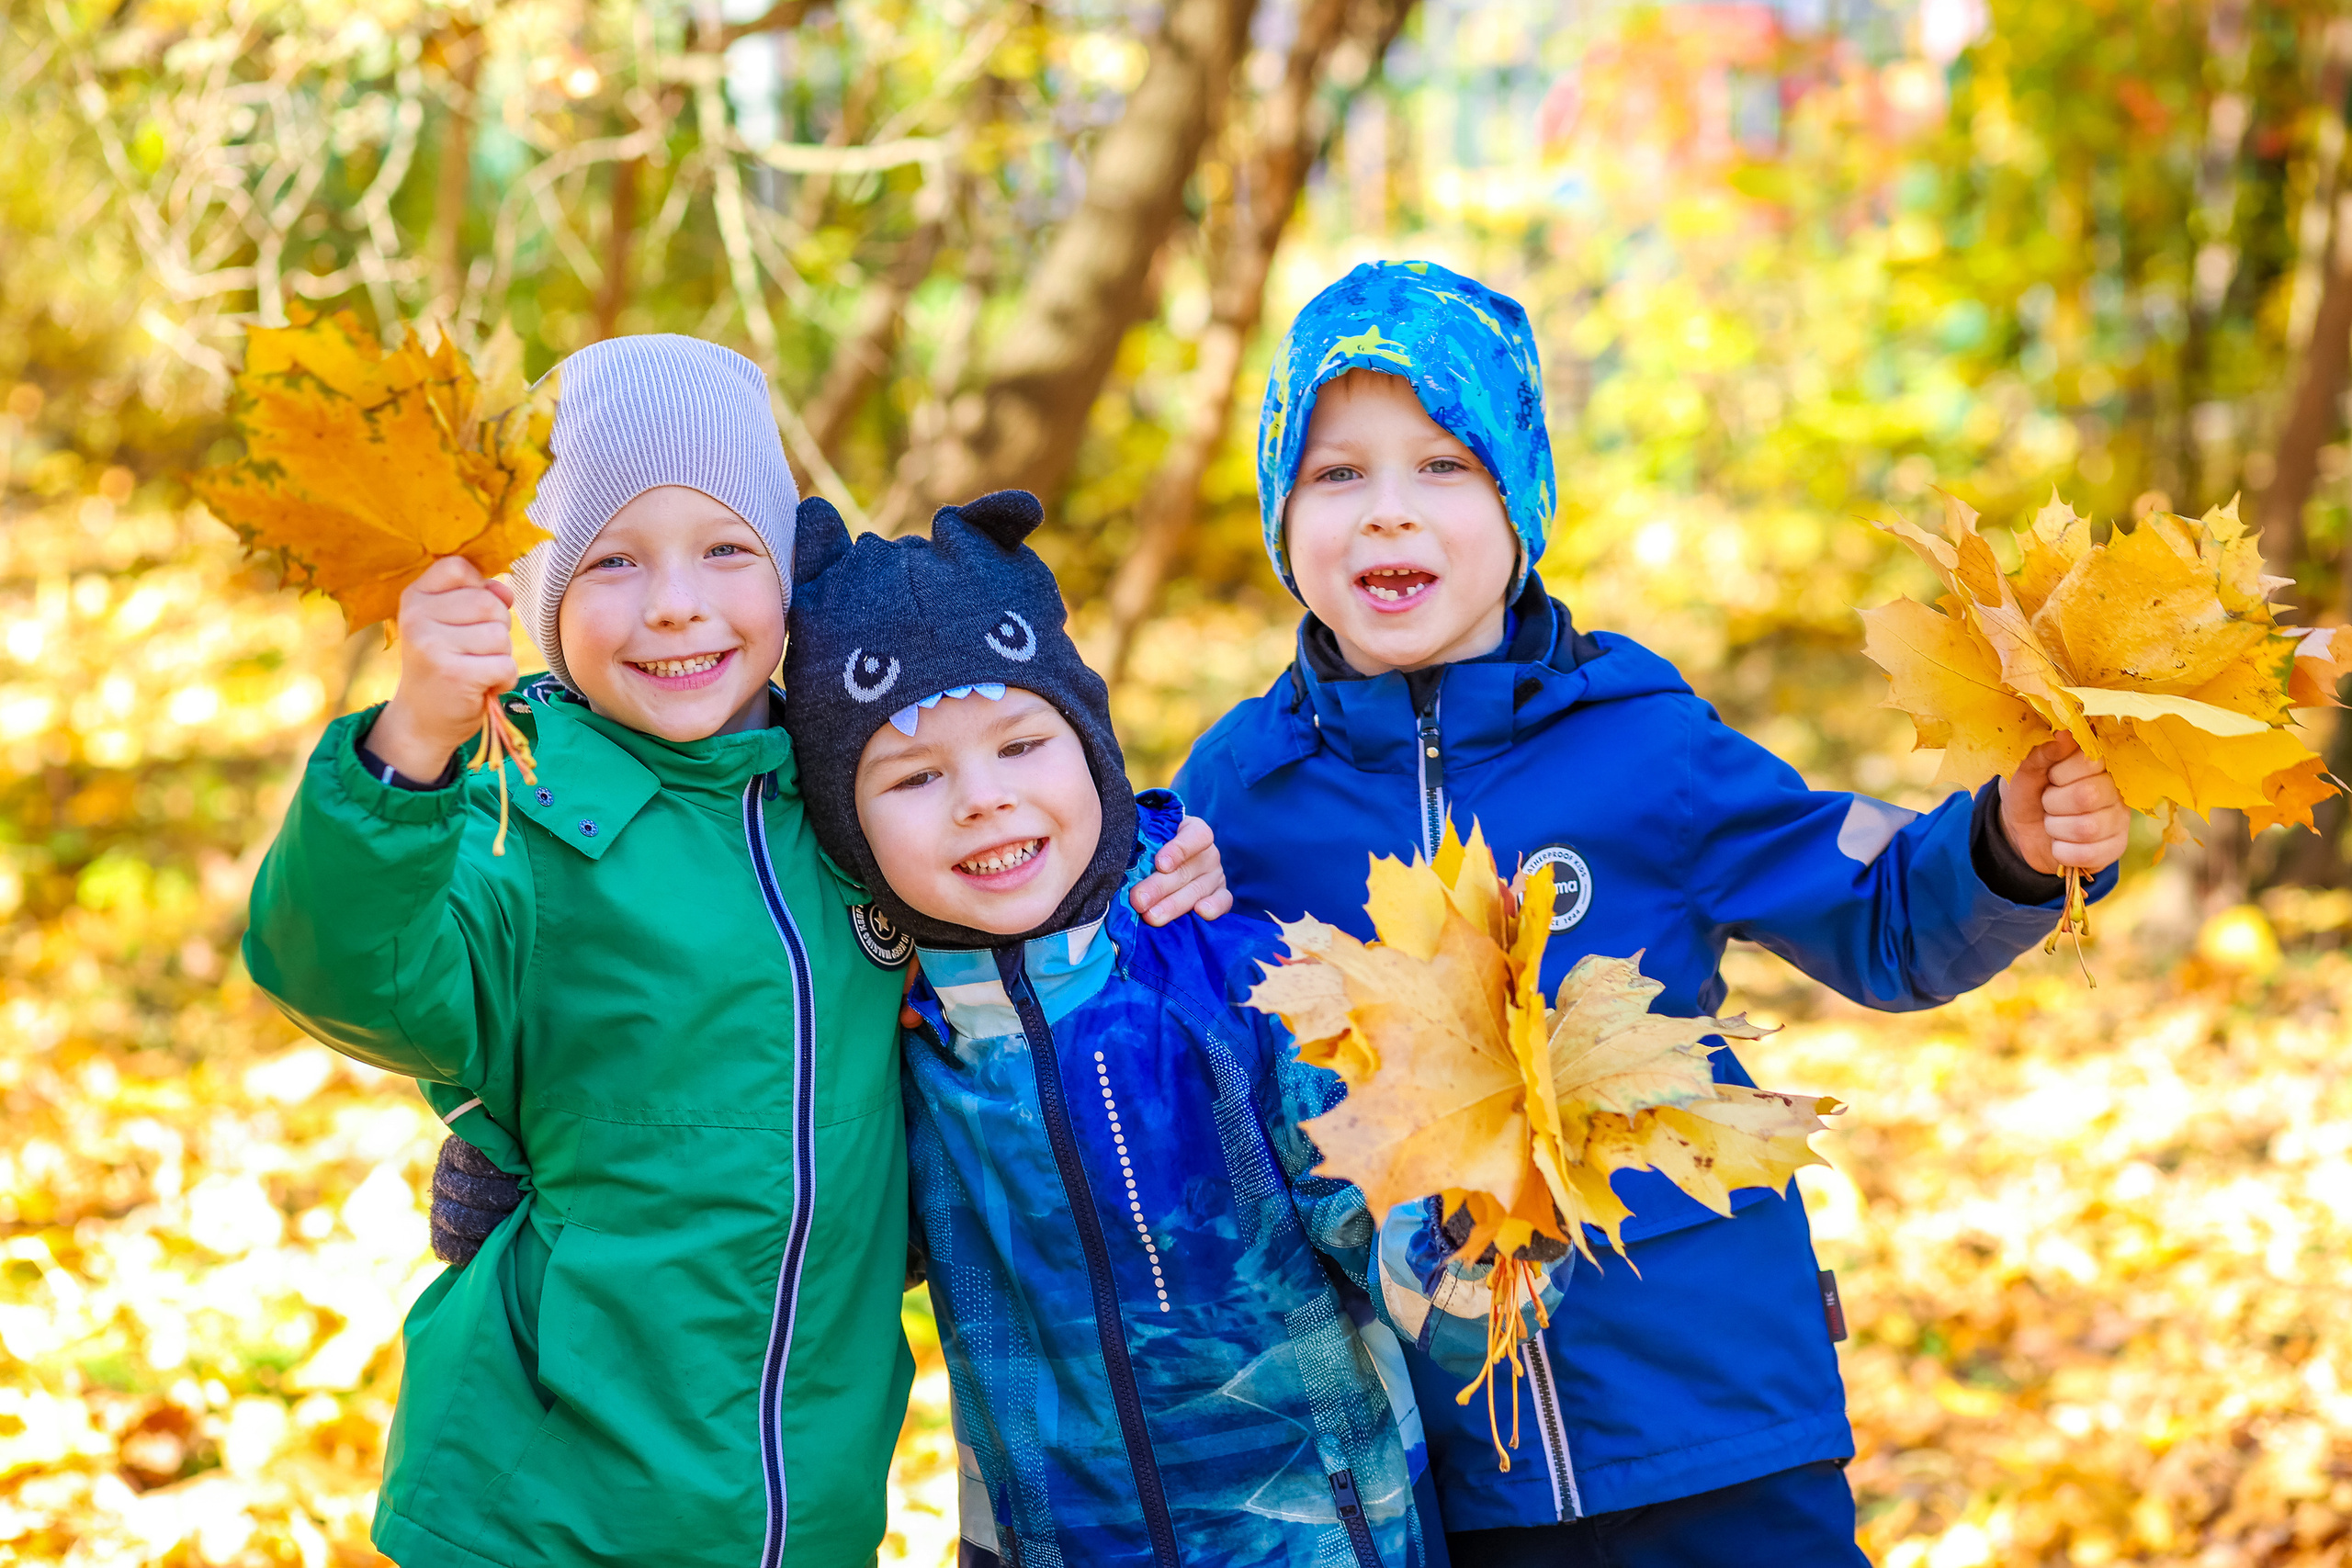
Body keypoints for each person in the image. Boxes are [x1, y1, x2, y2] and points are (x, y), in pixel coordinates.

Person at [1171, 261, 2132, 1565]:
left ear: (1522, 502)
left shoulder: (1645, 743)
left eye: (1444, 465)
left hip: (1716, 1402)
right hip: (1452, 1444)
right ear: (1284, 514)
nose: (1387, 512)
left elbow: (1882, 912)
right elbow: (1183, 1049)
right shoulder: (1243, 790)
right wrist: (1155, 904)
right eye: (1338, 474)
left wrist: (2011, 848)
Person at [243, 335, 1227, 1568]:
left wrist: (1158, 865)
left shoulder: (853, 804)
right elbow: (343, 973)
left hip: (807, 1502)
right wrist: (408, 751)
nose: (674, 601)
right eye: (611, 560)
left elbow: (1021, 877)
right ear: (541, 597)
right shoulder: (517, 815)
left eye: (726, 548)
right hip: (540, 1504)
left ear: (784, 572)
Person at [777, 486, 1532, 1568]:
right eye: (913, 776)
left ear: (1092, 749)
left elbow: (1395, 1236)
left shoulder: (1241, 981)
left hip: (1318, 1538)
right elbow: (812, 1236)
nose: (981, 800)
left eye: (1022, 743)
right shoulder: (890, 1036)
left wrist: (1480, 1233)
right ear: (848, 827)